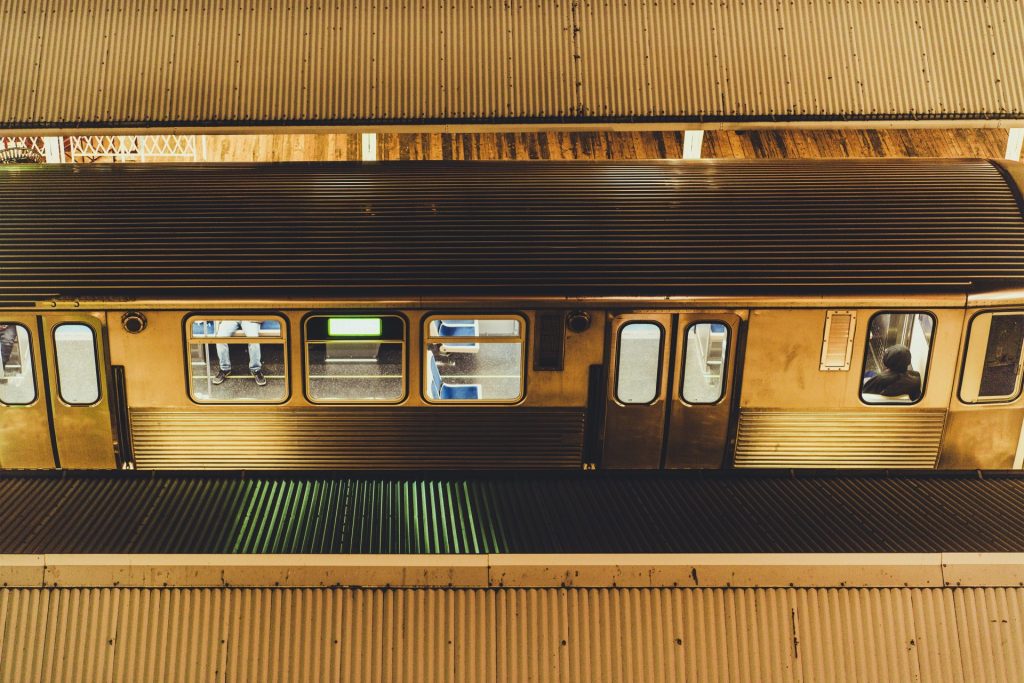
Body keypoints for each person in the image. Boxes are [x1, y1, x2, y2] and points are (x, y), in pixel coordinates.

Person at [212, 320, 267, 386]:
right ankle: (225, 368)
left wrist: (260, 317)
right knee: (220, 338)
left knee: (253, 339)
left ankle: (255, 369)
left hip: (249, 317)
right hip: (232, 316)